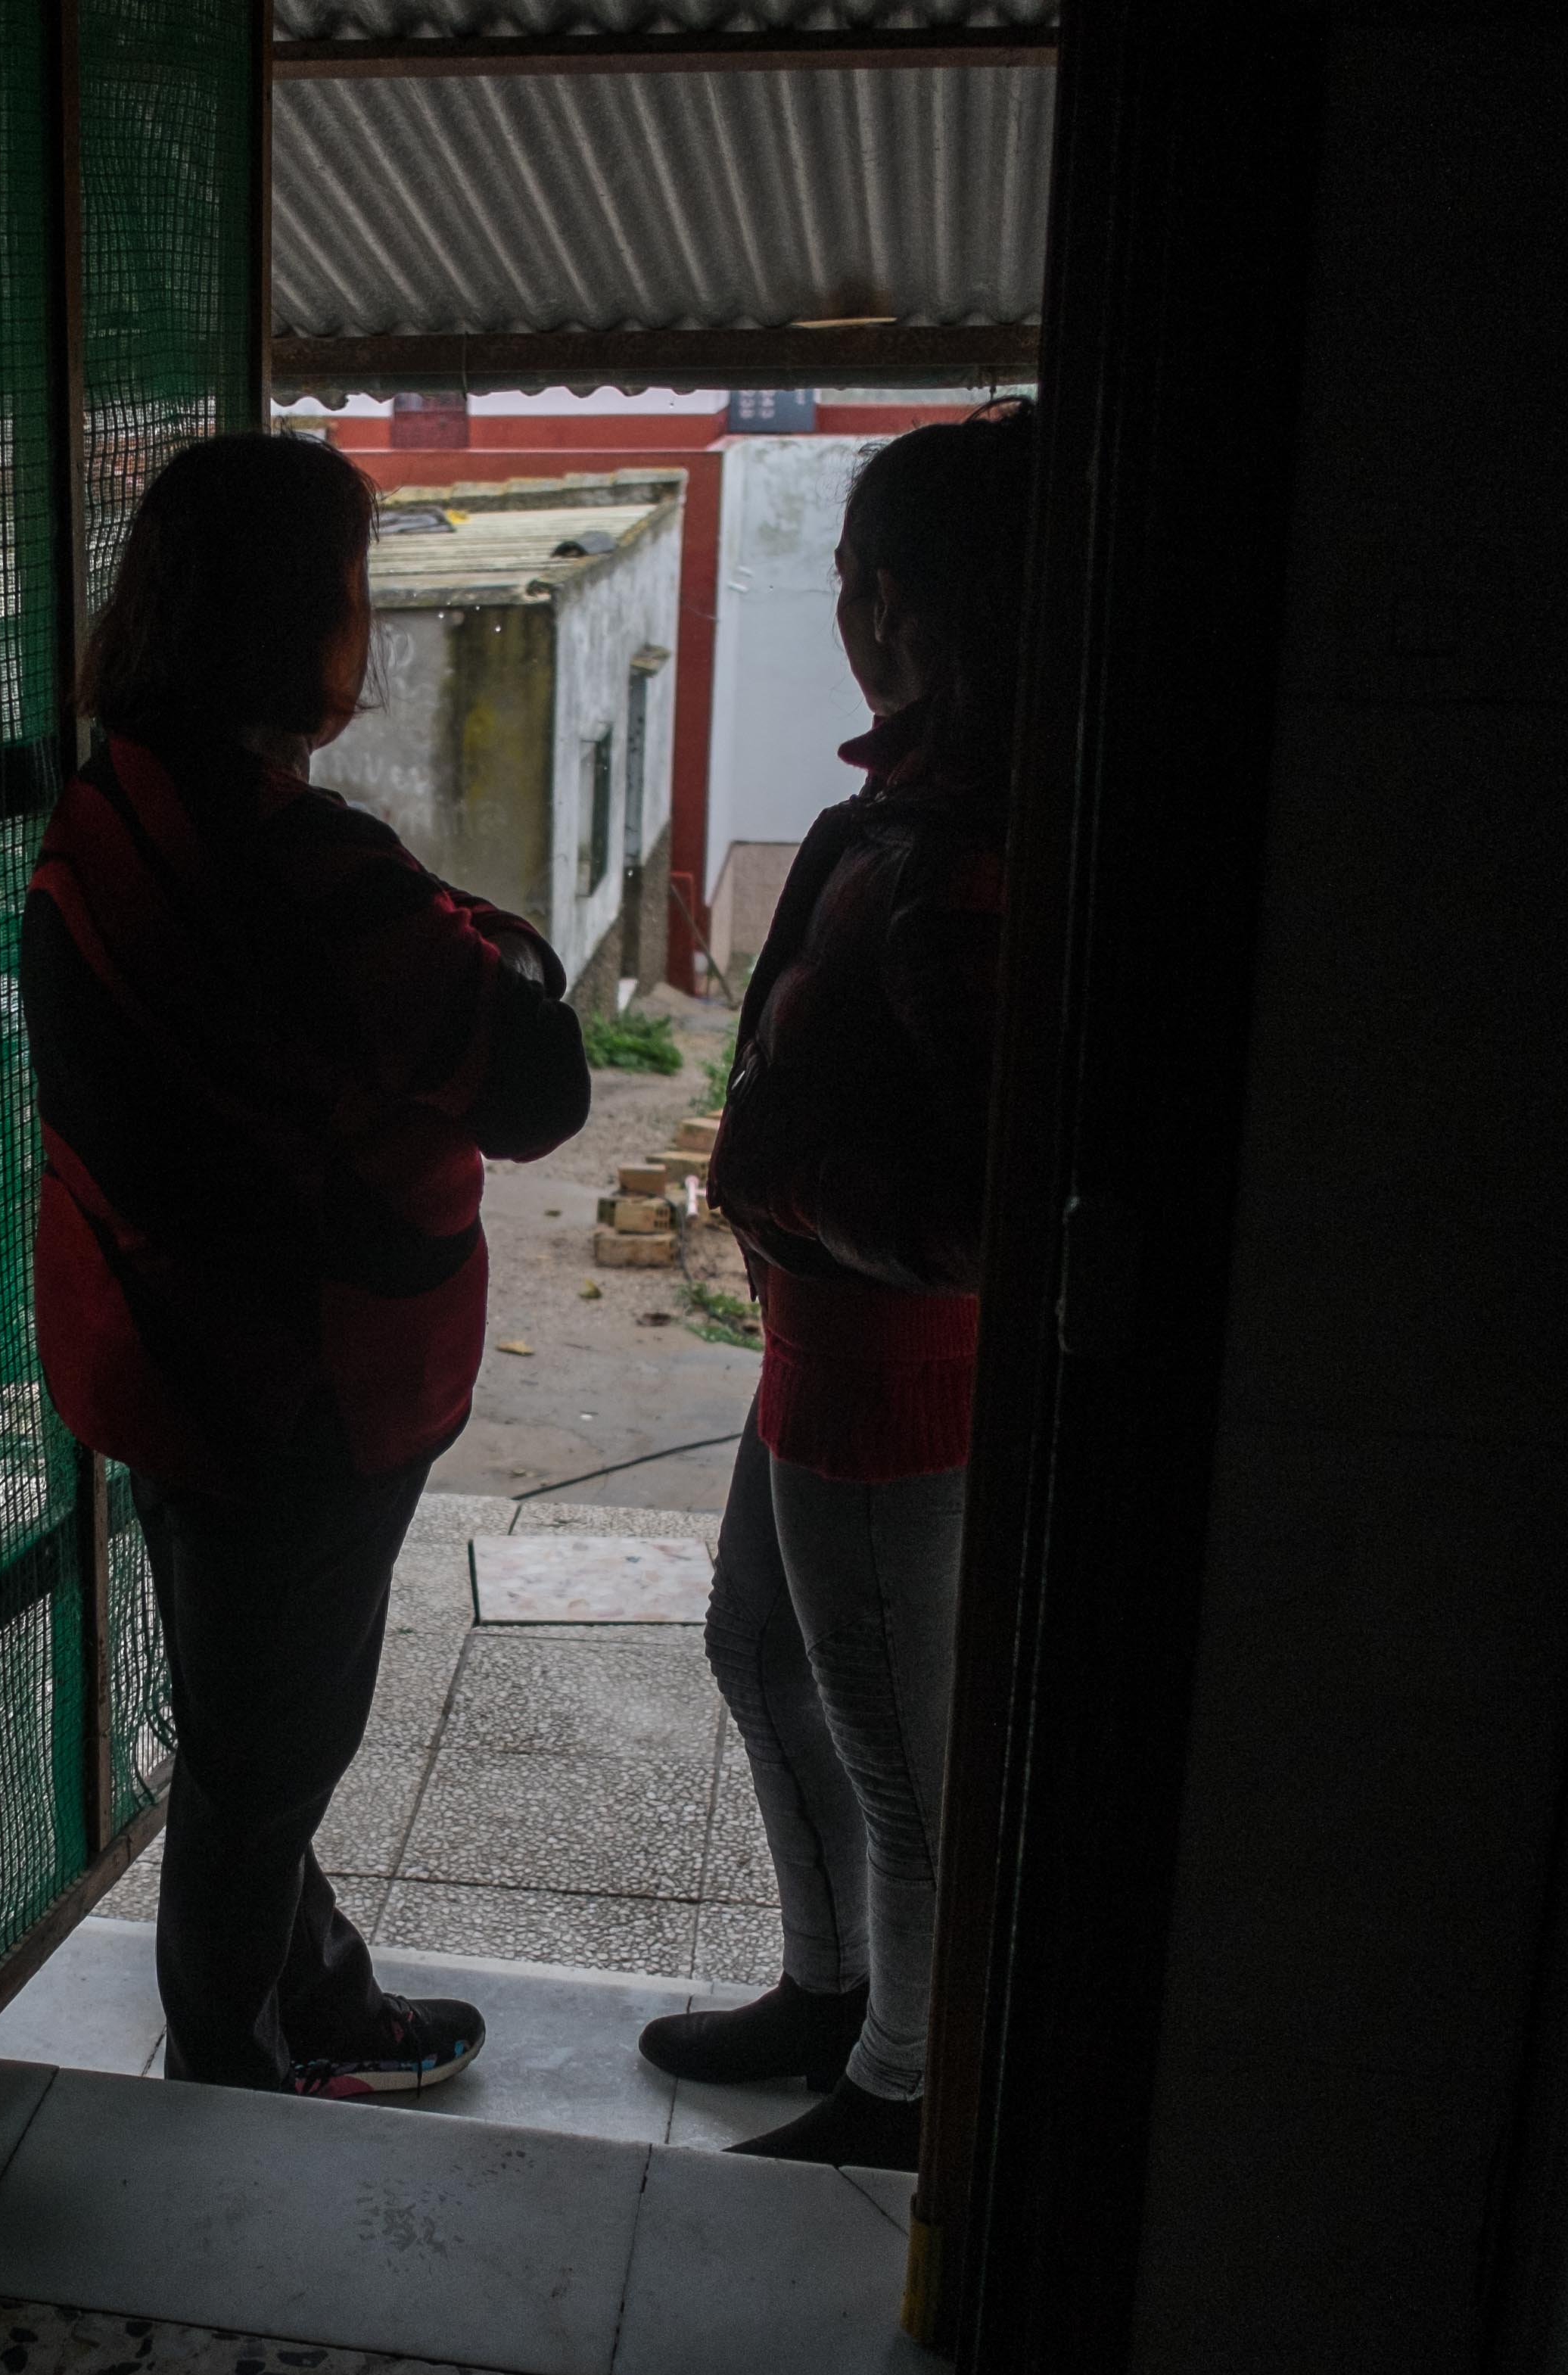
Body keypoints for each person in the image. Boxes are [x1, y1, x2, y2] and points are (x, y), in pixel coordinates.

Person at [22, 433, 590, 2097]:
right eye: (352, 587)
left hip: (159, 1345)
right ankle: (234, 2089)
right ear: (298, 619)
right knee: (269, 1759)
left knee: (247, 1723)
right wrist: (497, 942)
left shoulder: (112, 799)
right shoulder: (302, 861)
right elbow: (536, 1083)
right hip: (305, 1379)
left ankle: (317, 1987)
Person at [637, 404, 1035, 2168]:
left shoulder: (961, 858)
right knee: (756, 1653)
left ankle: (897, 2092)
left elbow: (987, 1205)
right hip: (822, 1358)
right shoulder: (908, 814)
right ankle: (825, 1995)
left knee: (898, 1761)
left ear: (907, 607)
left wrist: (770, 1180)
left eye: (867, 580)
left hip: (894, 1387)